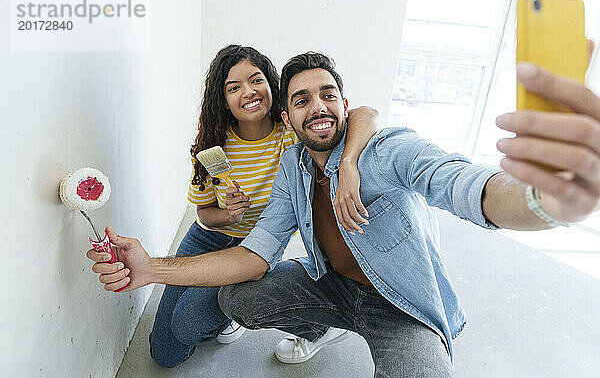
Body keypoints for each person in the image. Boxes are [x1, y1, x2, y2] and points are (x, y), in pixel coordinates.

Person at [87, 52, 600, 377]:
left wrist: (540, 201)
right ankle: (319, 325)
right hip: (326, 284)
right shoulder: (288, 163)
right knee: (237, 298)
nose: (318, 107)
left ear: (345, 103)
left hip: (401, 307)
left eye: (328, 94)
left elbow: (462, 184)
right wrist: (152, 268)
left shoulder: (386, 150)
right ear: (287, 117)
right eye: (302, 99)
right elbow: (257, 251)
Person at [147, 45, 379, 368]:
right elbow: (203, 215)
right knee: (164, 354)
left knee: (186, 322)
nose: (248, 92)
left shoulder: (291, 133)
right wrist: (228, 213)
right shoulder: (213, 143)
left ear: (271, 85)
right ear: (223, 99)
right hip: (205, 240)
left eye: (256, 80)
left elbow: (366, 115)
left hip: (252, 248)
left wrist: (350, 162)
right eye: (234, 87)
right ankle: (216, 314)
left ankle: (229, 316)